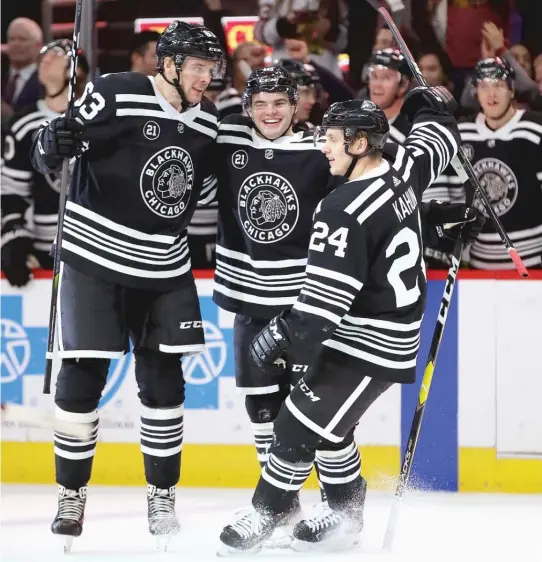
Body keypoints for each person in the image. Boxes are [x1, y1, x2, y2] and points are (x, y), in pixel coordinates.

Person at [218, 88, 484, 553]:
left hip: (372, 339)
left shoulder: (342, 209)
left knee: (297, 422)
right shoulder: (402, 167)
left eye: (333, 138)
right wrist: (432, 103)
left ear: (360, 143)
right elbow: (437, 136)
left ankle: (268, 510)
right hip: (376, 328)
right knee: (330, 425)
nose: (324, 146)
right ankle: (345, 518)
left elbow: (324, 302)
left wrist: (283, 332)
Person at [29, 21, 225, 549]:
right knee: (82, 378)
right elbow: (51, 154)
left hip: (165, 266)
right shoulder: (116, 91)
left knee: (165, 382)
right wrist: (53, 141)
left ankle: (162, 497)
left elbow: (203, 190)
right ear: (169, 63)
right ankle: (72, 495)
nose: (209, 77)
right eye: (200, 67)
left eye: (214, 68)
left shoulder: (207, 121)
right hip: (94, 256)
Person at [213, 66, 338, 518]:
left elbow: (365, 189)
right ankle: (280, 505)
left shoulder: (321, 149)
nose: (270, 112)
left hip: (305, 303)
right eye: (260, 104)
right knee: (262, 403)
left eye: (279, 103)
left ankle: (333, 503)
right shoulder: (227, 141)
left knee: (312, 404)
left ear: (297, 104)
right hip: (249, 298)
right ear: (247, 107)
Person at [1, 40, 89, 287]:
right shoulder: (22, 125)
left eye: (56, 54)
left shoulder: (99, 120)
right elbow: (11, 193)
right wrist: (15, 242)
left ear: (76, 70)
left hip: (94, 249)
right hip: (42, 253)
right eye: (44, 55)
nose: (45, 59)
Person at [451, 57, 542, 269]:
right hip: (479, 265)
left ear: (511, 90)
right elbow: (455, 197)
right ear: (475, 92)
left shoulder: (535, 130)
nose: (491, 95)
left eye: (499, 86)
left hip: (533, 262)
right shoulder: (462, 134)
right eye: (484, 86)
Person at [365, 48, 412, 144]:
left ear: (403, 85)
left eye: (386, 78)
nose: (377, 84)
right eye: (374, 76)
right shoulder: (358, 122)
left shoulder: (413, 133)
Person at [2, 18, 43, 117]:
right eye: (12, 39)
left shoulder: (45, 81)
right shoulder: (2, 76)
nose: (15, 44)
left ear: (38, 45)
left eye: (22, 39)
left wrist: (9, 116)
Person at [274, 58, 320, 127]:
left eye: (314, 94)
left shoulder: (307, 129)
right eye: (305, 93)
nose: (312, 101)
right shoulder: (256, 134)